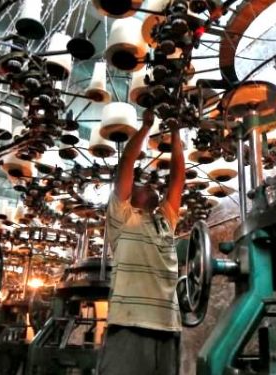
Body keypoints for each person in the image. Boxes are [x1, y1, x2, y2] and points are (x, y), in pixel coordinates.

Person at [97, 109, 185, 375]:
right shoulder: (123, 218)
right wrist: (145, 128)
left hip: (168, 326)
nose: (149, 184)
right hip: (129, 326)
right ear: (129, 195)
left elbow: (177, 178)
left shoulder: (165, 222)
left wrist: (176, 134)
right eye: (141, 183)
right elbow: (126, 163)